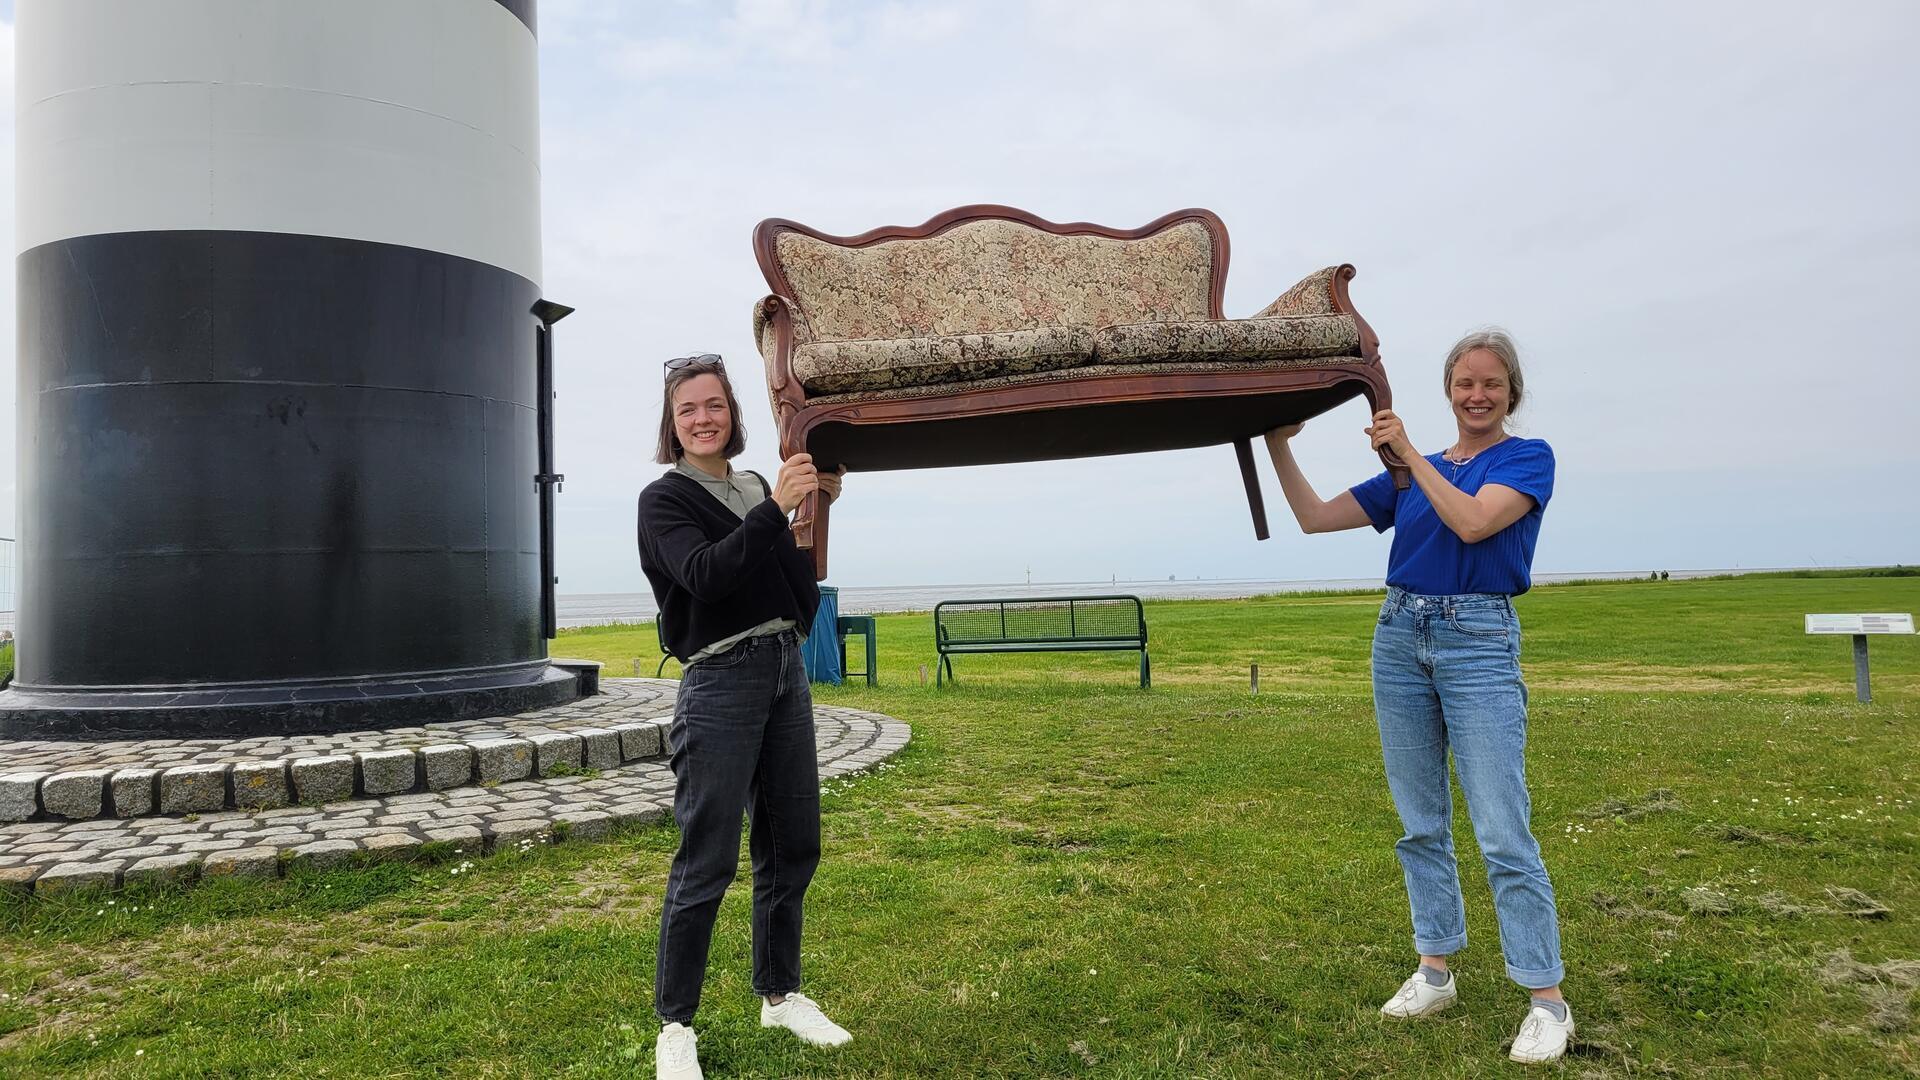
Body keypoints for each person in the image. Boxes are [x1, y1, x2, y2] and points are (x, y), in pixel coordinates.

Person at [1263, 328, 1572, 1065]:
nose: (1476, 395)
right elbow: (1313, 516)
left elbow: (1471, 524)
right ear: (1449, 390)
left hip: (1478, 640)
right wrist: (1277, 442)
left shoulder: (1527, 459)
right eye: (1465, 383)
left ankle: (1548, 1000)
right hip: (1399, 637)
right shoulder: (1416, 472)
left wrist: (1408, 462)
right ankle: (1435, 971)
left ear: (1511, 394)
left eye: (1491, 384)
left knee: (1502, 827)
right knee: (1419, 821)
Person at [635, 353, 849, 1080]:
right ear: (672, 423)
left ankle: (780, 994)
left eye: (715, 405)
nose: (703, 418)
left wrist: (811, 509)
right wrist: (773, 513)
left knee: (793, 845)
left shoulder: (759, 485)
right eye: (689, 408)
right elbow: (705, 576)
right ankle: (675, 1027)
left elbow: (794, 580)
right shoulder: (663, 501)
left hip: (784, 670)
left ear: (733, 415)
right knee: (708, 859)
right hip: (719, 680)